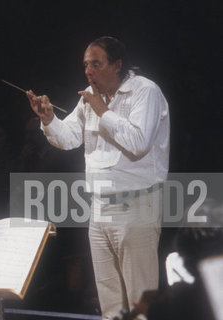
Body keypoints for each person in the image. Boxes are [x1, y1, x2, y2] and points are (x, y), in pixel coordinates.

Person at [27, 36, 170, 319]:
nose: (88, 71)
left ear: (117, 65)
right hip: (99, 209)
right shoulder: (91, 98)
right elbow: (68, 139)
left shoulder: (145, 92)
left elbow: (139, 142)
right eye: (85, 65)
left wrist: (101, 110)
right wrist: (48, 119)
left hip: (136, 206)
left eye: (96, 64)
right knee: (110, 300)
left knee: (139, 300)